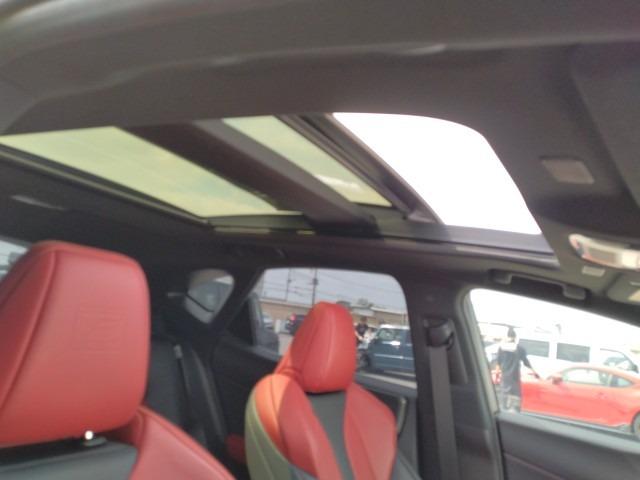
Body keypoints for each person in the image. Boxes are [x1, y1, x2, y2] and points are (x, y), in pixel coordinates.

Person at [495, 327, 539, 412]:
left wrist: (497, 375)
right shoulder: (520, 348)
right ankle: (515, 412)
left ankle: (504, 411)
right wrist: (534, 372)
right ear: (515, 337)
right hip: (515, 377)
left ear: (507, 337)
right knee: (516, 399)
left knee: (504, 398)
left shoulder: (501, 348)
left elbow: (498, 362)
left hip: (505, 377)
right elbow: (526, 362)